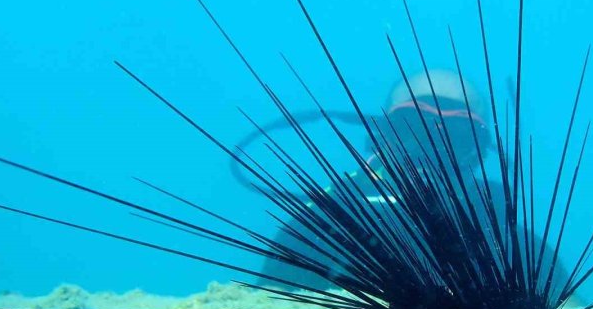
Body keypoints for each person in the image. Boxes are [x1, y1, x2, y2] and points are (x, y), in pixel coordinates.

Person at [240, 69, 572, 295]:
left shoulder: (513, 240)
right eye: (413, 127)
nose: (433, 149)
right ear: (382, 133)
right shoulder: (322, 224)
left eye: (456, 134)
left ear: (478, 148)